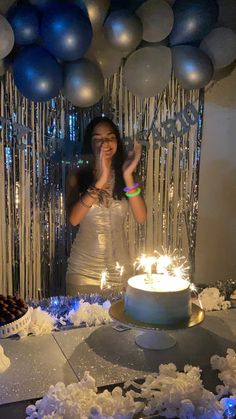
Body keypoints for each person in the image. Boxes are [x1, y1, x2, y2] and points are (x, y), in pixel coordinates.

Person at [66, 116, 147, 295]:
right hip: (83, 272)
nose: (105, 143)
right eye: (98, 138)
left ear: (117, 141)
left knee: (120, 322)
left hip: (121, 271)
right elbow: (73, 219)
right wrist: (101, 180)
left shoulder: (127, 173)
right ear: (90, 143)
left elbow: (141, 218)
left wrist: (127, 175)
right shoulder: (78, 172)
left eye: (110, 137)